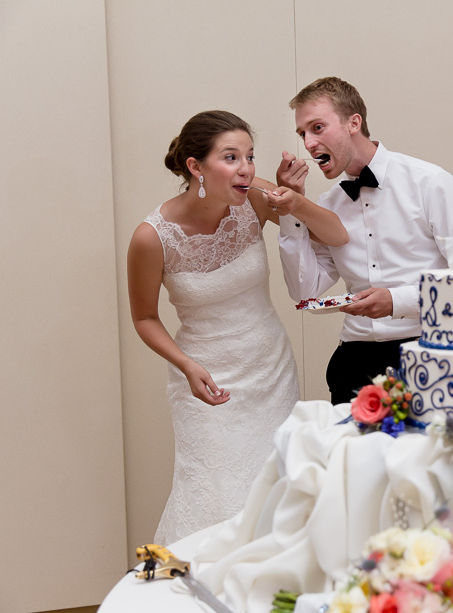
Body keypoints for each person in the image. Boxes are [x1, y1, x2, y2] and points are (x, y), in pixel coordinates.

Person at [127, 110, 348, 544]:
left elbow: (336, 235)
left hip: (269, 367)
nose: (246, 168)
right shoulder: (151, 237)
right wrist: (186, 365)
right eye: (231, 157)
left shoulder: (255, 198)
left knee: (274, 486)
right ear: (196, 166)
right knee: (212, 489)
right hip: (203, 378)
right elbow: (145, 318)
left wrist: (297, 200)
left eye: (249, 156)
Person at [273, 77, 453, 405]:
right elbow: (305, 291)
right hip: (352, 364)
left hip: (429, 353)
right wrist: (291, 209)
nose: (309, 144)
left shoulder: (430, 183)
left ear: (354, 122)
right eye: (302, 134)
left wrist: (397, 301)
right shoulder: (328, 205)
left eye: (317, 128)